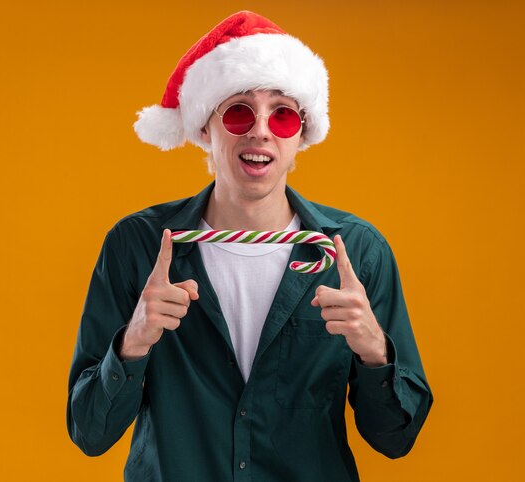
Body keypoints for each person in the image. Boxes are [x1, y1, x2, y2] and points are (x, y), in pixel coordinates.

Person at [67, 10, 432, 482]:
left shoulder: (354, 252)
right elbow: (89, 432)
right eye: (239, 111)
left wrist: (374, 351)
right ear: (205, 128)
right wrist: (133, 342)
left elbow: (396, 439)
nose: (260, 130)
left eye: (281, 115)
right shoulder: (137, 245)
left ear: (301, 135)